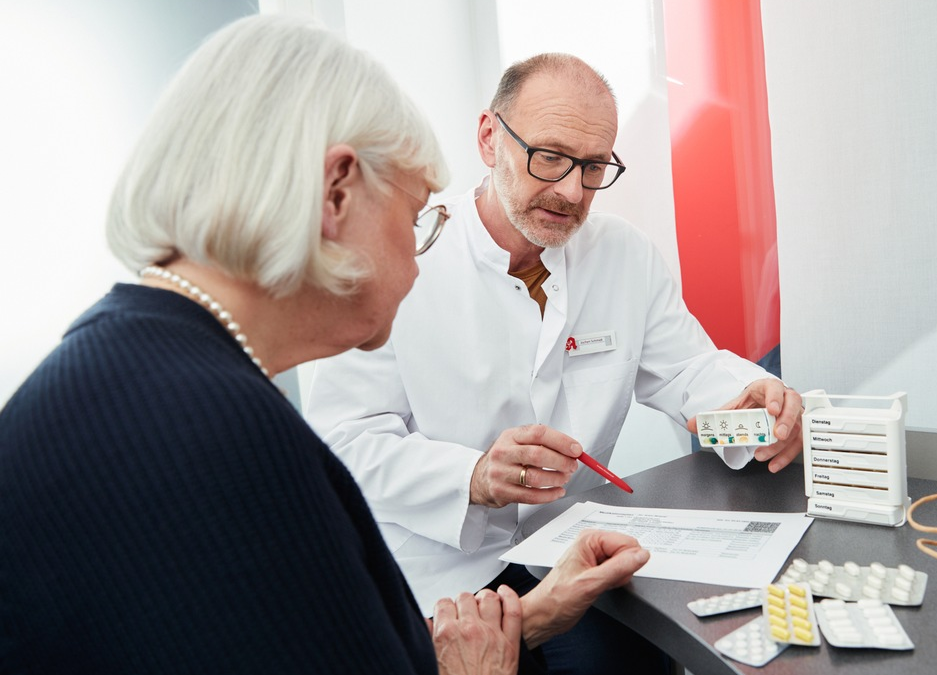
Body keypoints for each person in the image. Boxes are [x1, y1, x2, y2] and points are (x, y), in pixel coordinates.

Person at [0, 16, 650, 675]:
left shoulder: (126, 369)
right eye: (416, 217)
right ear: (337, 192)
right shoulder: (224, 435)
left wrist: (532, 618)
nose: (418, 259)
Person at [304, 52, 805, 674]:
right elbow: (340, 441)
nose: (571, 191)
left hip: (567, 548)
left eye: (594, 166)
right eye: (550, 157)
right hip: (436, 566)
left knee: (634, 665)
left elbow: (686, 372)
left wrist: (756, 398)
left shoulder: (623, 256)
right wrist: (474, 476)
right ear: (489, 136)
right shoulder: (404, 257)